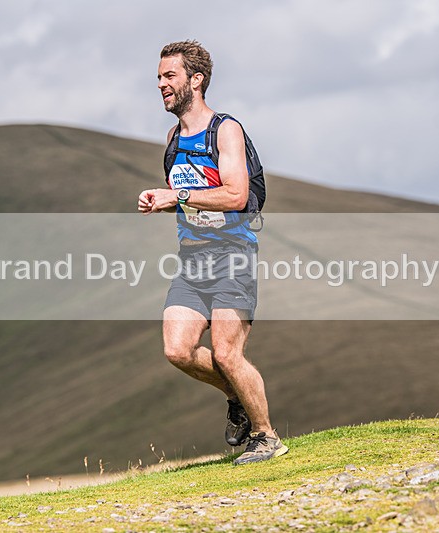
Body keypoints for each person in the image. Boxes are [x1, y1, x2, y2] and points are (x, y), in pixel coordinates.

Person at [138, 40, 288, 465]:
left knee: (226, 352)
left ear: (196, 79)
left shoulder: (225, 130)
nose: (162, 85)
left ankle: (266, 436)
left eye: (170, 76)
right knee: (177, 350)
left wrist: (177, 196)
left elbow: (237, 195)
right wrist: (160, 200)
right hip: (192, 259)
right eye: (160, 78)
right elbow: (184, 197)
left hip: (233, 255)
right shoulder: (172, 137)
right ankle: (235, 395)